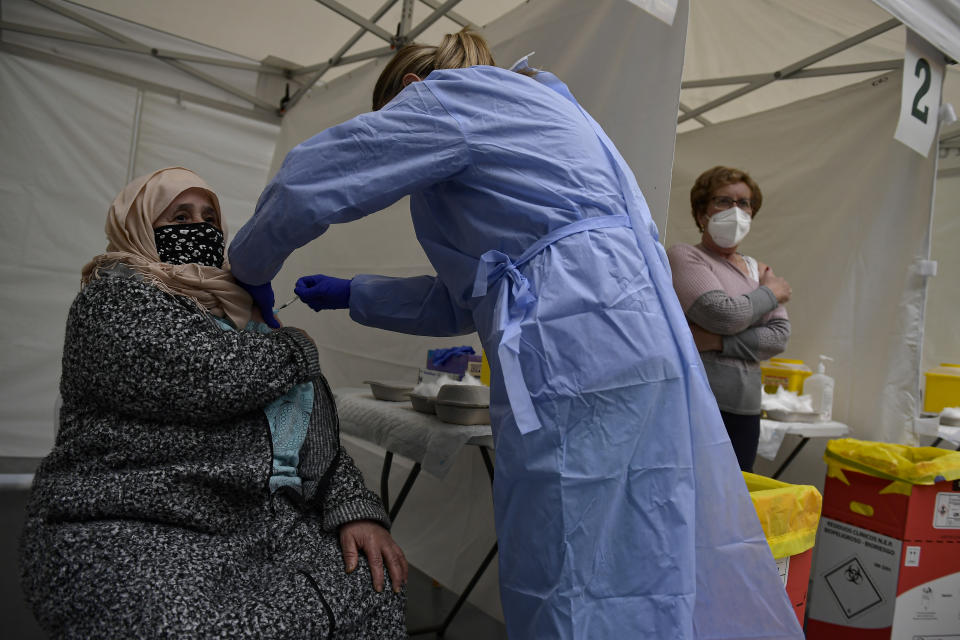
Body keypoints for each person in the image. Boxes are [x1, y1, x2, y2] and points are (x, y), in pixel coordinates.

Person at [228, 30, 803, 640]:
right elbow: (476, 292)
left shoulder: (447, 98)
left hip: (577, 352)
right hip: (638, 340)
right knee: (648, 545)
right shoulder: (549, 113)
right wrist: (356, 293)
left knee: (565, 554)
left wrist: (247, 267)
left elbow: (317, 175)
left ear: (409, 90)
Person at [18, 167, 408, 640]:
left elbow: (306, 422)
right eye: (179, 217)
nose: (199, 229)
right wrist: (295, 347)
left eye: (209, 218)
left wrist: (353, 508)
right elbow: (214, 377)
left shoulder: (233, 309)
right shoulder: (111, 299)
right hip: (135, 516)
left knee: (374, 583)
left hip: (252, 520)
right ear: (139, 225)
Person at [666, 166, 791, 472]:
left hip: (746, 409)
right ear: (701, 214)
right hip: (697, 403)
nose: (735, 210)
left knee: (736, 503)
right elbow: (724, 315)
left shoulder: (755, 270)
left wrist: (717, 342)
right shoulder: (686, 257)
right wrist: (771, 293)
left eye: (744, 203)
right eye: (723, 201)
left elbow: (778, 337)